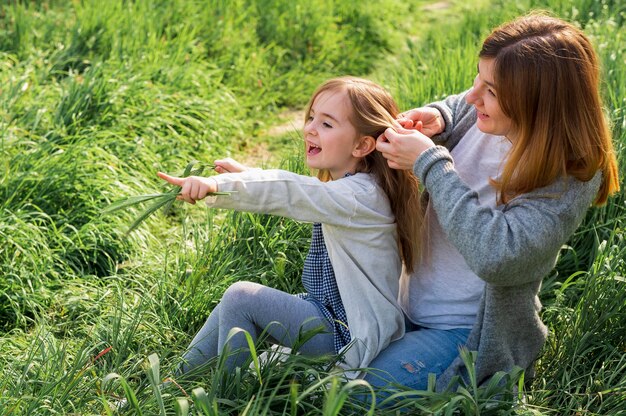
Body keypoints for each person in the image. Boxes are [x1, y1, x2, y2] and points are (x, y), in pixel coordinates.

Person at [368, 12, 620, 393]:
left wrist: (429, 163)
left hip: (465, 333)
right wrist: (439, 116)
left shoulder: (569, 174)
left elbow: (499, 257)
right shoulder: (486, 115)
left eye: (493, 91)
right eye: (478, 79)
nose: (473, 96)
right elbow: (459, 105)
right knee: (324, 357)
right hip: (404, 303)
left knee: (358, 393)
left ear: (537, 106)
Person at [158, 77, 424, 373]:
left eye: (327, 124)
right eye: (312, 117)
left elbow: (292, 192)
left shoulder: (360, 196)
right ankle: (175, 383)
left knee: (241, 298)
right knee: (232, 306)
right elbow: (306, 192)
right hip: (331, 314)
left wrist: (217, 185)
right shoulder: (352, 190)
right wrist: (248, 175)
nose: (310, 128)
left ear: (362, 145)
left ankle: (224, 400)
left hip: (349, 334)